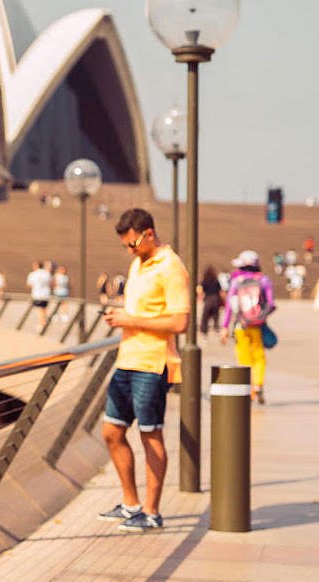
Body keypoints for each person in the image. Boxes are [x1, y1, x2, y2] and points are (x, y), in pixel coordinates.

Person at [99, 208, 189, 532]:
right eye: (125, 246)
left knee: (150, 435)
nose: (129, 251)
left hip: (152, 363)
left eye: (132, 244)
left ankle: (151, 512)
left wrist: (130, 320)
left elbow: (179, 322)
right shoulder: (138, 263)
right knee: (111, 432)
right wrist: (121, 316)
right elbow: (142, 312)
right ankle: (130, 504)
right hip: (127, 360)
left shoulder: (171, 267)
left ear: (149, 233)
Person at [221, 250, 275, 403]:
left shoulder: (236, 282)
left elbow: (229, 306)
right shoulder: (263, 280)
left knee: (244, 358)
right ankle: (258, 384)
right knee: (259, 357)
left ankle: (249, 389)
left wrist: (225, 327)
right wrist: (260, 317)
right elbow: (271, 304)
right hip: (257, 325)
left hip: (241, 325)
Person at [26, 261, 52, 331]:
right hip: (46, 294)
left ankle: (42, 324)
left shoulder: (33, 274)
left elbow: (29, 284)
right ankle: (45, 321)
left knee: (39, 310)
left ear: (36, 266)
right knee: (44, 309)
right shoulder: (47, 273)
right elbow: (50, 283)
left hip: (37, 294)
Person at [197, 266, 222, 337]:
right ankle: (216, 328)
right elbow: (220, 290)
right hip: (215, 299)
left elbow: (200, 289)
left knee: (205, 316)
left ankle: (204, 330)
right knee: (216, 315)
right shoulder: (216, 281)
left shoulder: (205, 281)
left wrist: (200, 297)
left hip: (208, 299)